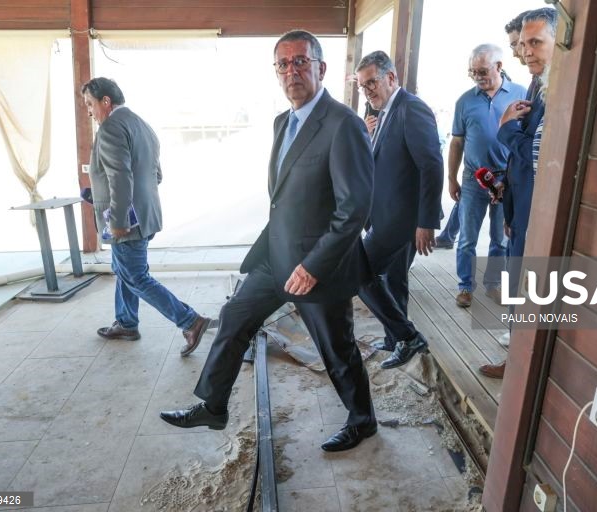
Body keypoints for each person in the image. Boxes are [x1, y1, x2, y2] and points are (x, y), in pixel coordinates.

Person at [160, 30, 377, 452]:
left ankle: (363, 420)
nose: (291, 71)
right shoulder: (283, 122)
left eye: (301, 61)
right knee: (235, 316)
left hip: (318, 267)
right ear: (276, 72)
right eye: (283, 64)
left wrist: (313, 266)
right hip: (276, 256)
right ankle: (213, 406)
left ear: (321, 68)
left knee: (336, 350)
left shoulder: (343, 124)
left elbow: (354, 209)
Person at [82, 78, 210, 357]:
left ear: (106, 101)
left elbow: (120, 176)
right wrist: (100, 193)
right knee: (124, 270)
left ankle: (191, 322)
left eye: (90, 104)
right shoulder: (141, 125)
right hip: (146, 214)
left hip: (127, 221)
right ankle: (126, 323)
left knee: (136, 277)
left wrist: (118, 220)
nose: (89, 111)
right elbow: (155, 175)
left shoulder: (111, 127)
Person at [479, 8, 558, 379]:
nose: (525, 52)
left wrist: (506, 127)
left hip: (538, 216)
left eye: (534, 42)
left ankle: (522, 372)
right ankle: (516, 365)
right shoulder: (538, 84)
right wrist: (508, 203)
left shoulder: (559, 89)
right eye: (521, 44)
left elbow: (540, 157)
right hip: (521, 210)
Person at [355, 50, 443, 369]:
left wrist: (426, 222)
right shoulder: (385, 112)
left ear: (391, 77)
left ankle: (407, 336)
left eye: (372, 83)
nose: (367, 91)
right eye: (362, 86)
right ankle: (396, 340)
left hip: (402, 218)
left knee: (358, 271)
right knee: (395, 280)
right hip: (387, 214)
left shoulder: (411, 108)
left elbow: (431, 165)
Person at [448, 44, 527, 309]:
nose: (477, 77)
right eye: (472, 72)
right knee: (467, 238)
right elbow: (457, 143)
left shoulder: (520, 94)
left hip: (507, 180)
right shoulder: (464, 101)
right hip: (473, 179)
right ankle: (465, 286)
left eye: (482, 71)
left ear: (499, 66)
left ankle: (493, 285)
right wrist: (451, 178)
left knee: (500, 238)